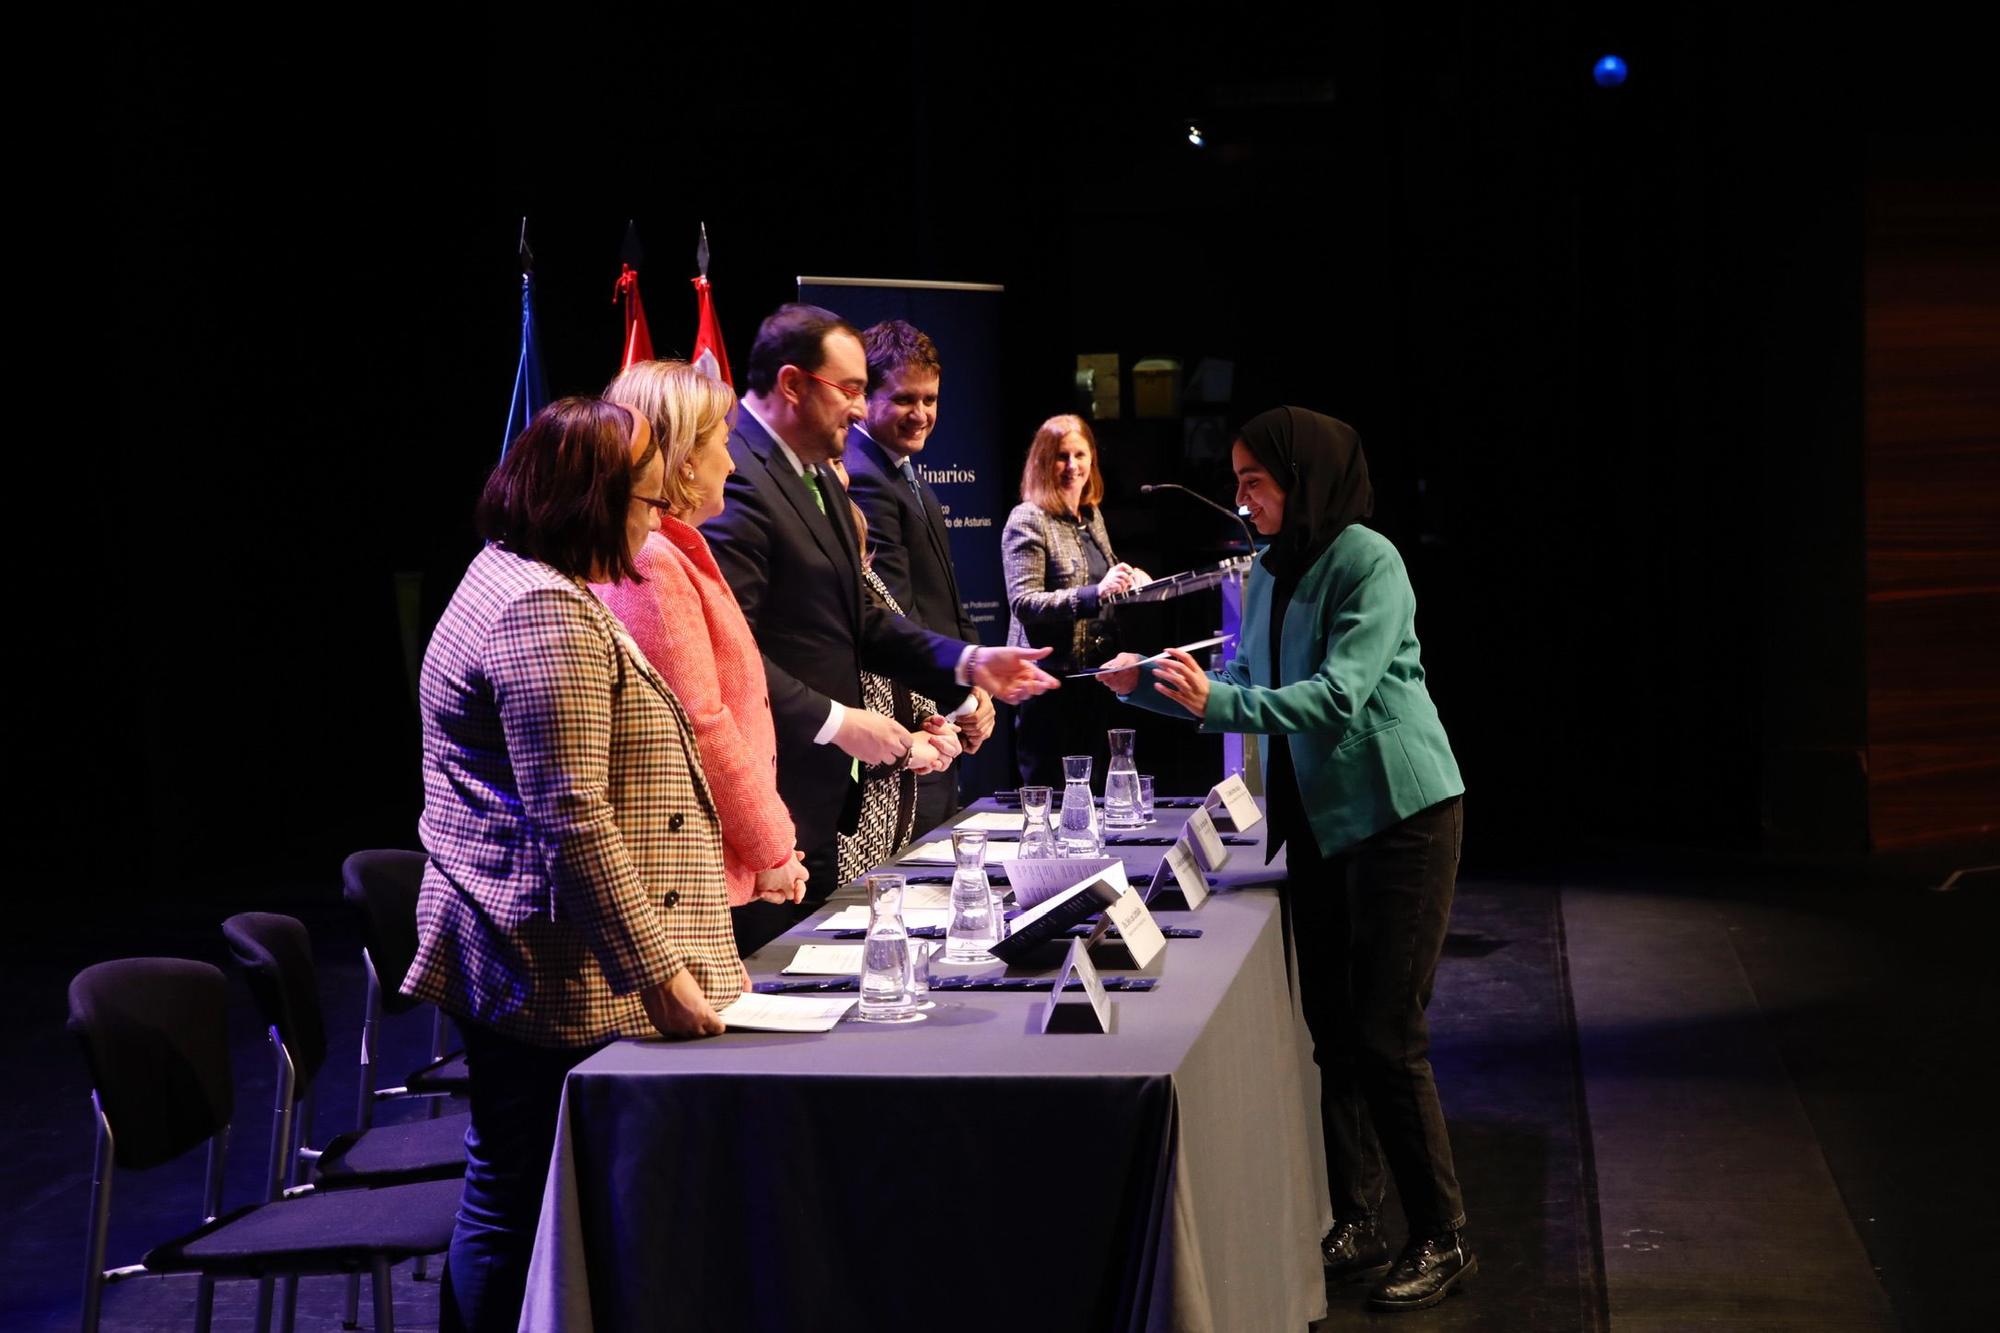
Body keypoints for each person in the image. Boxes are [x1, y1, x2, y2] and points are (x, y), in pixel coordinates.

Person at [1098, 407, 1473, 1313]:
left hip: (1399, 813)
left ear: (1302, 481)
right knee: (1334, 1033)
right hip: (1318, 819)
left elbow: (1339, 696)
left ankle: (1443, 1232)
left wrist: (1217, 695)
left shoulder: (1368, 560)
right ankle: (1358, 1217)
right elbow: (1245, 688)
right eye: (1236, 480)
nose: (1241, 498)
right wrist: (1143, 683)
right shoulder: (1268, 568)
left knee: (1387, 1034)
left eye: (1254, 481)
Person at [405, 397, 749, 1332]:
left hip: (524, 950)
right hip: (547, 967)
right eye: (641, 504)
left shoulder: (504, 575)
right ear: (586, 503)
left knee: (512, 1186)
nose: (651, 523)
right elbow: (574, 821)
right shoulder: (540, 614)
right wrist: (662, 977)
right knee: (520, 1200)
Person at [703, 303, 1058, 951]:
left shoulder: (815, 475)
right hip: (765, 804)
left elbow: (864, 620)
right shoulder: (735, 478)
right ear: (792, 384)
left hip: (821, 805)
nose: (863, 410)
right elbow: (731, 657)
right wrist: (842, 721)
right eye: (853, 390)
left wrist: (968, 662)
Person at [592, 359, 811, 914]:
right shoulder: (652, 560)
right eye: (723, 441)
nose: (733, 462)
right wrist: (771, 847)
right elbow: (700, 721)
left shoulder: (670, 549)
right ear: (685, 457)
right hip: (676, 873)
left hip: (703, 858)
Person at [845, 319, 994, 836]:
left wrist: (977, 691)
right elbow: (894, 616)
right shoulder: (863, 477)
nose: (922, 414)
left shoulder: (909, 478)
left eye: (931, 399)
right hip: (911, 731)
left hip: (943, 723)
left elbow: (949, 604)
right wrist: (964, 701)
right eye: (906, 398)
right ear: (865, 398)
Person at [827, 456, 962, 884]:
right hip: (848, 826)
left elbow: (898, 656)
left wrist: (933, 723)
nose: (842, 474)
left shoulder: (868, 581)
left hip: (891, 819)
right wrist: (906, 749)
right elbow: (838, 711)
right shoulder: (822, 595)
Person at [1001, 413, 1149, 788]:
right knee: (1051, 797)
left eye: (1080, 455)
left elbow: (1106, 572)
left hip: (1096, 680)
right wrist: (1094, 594)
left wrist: (1134, 579)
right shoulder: (1028, 519)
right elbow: (1024, 602)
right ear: (1043, 463)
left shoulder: (1090, 515)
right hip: (1049, 687)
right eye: (1061, 456)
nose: (1072, 466)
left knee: (1097, 793)